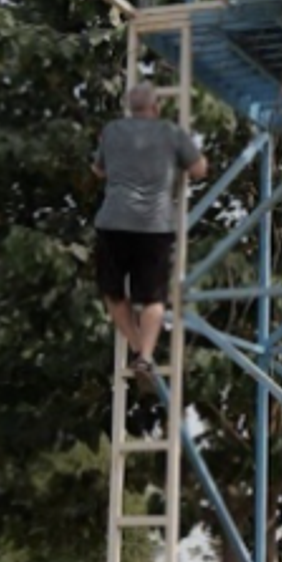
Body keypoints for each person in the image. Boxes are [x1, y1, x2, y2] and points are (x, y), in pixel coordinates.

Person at [92, 83, 208, 374]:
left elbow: (99, 170)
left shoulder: (112, 130)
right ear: (156, 107)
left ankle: (135, 346)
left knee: (113, 292)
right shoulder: (170, 132)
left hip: (114, 221)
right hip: (154, 225)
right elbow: (199, 170)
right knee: (154, 297)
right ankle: (145, 354)